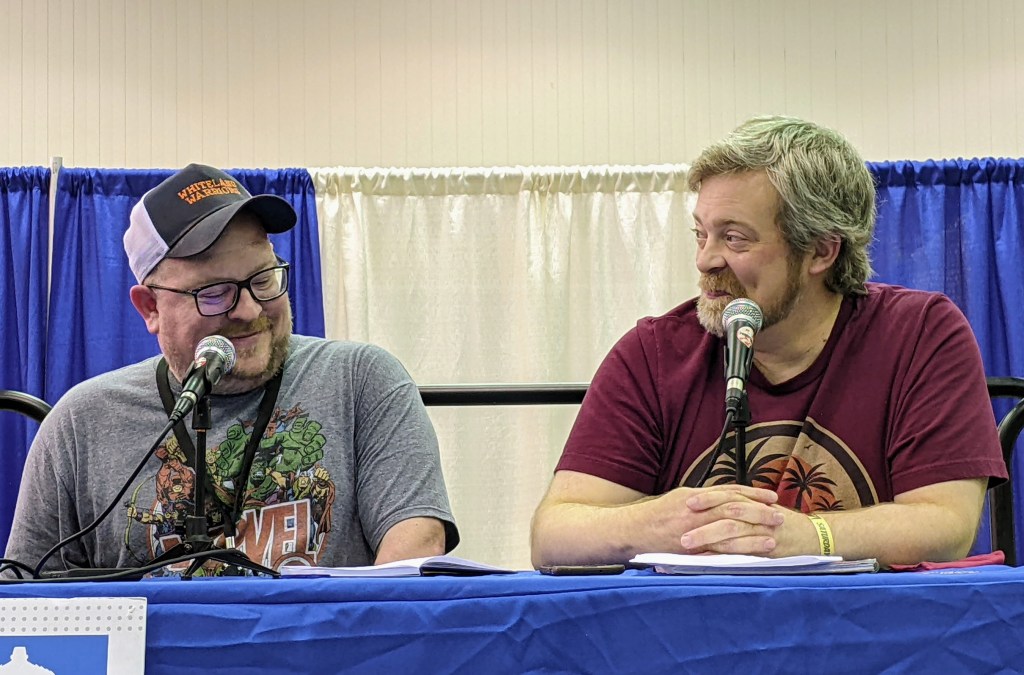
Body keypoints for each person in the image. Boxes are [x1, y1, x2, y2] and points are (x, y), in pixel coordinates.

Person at [530, 115, 1007, 569]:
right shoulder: (652, 354)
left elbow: (946, 524)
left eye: (734, 238)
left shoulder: (920, 333)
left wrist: (806, 536)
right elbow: (553, 535)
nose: (705, 260)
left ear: (821, 250)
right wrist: (659, 524)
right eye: (701, 234)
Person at [5, 163, 458, 576]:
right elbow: (26, 598)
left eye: (263, 279)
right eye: (214, 292)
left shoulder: (362, 382)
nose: (249, 309)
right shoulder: (81, 424)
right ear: (150, 308)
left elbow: (414, 550)